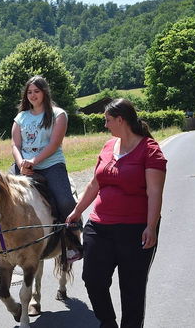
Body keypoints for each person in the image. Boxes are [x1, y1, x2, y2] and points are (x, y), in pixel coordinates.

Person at [66, 98, 167, 328]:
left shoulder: (150, 151)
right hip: (99, 226)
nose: (105, 125)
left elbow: (154, 193)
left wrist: (151, 227)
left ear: (120, 120)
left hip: (135, 229)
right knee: (92, 279)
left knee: (132, 288)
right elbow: (94, 184)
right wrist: (76, 211)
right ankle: (108, 323)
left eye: (108, 120)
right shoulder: (108, 146)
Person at [0, 75, 80, 268]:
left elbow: (55, 144)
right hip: (21, 164)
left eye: (36, 91)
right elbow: (15, 144)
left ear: (44, 92)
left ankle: (72, 242)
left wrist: (34, 161)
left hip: (51, 165)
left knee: (65, 201)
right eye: (29, 92)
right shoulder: (21, 117)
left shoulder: (58, 114)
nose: (32, 95)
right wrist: (22, 162)